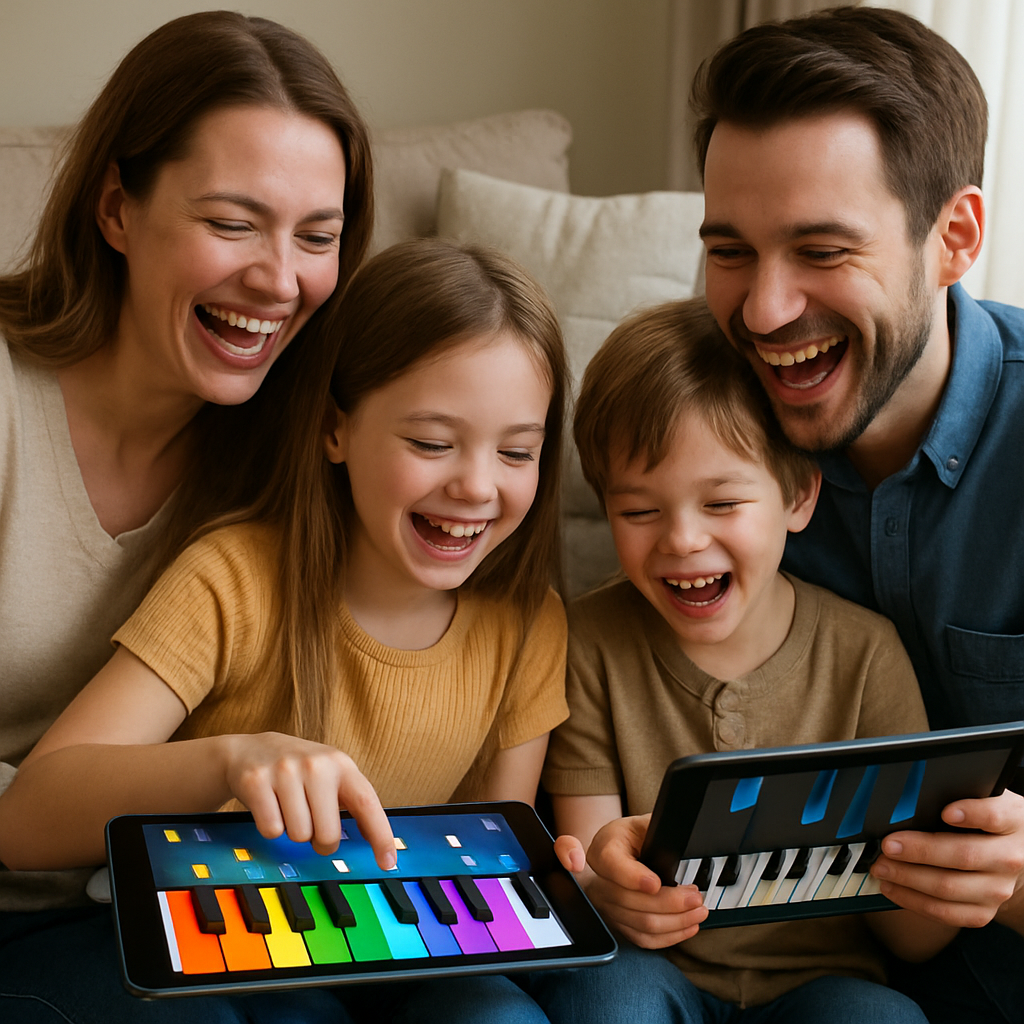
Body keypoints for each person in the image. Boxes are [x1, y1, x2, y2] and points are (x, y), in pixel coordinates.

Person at [0, 238, 571, 1024]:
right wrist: (234, 762)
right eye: (432, 443)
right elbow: (25, 820)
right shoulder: (233, 579)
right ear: (336, 430)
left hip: (406, 949)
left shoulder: (529, 620)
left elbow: (500, 870)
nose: (477, 485)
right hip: (229, 936)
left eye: (517, 452)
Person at [0, 10, 373, 1022]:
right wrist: (226, 760)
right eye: (233, 222)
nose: (279, 280)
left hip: (167, 897)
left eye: (318, 237)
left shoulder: (297, 450)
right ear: (116, 209)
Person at [689, 6, 1024, 1022]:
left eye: (821, 249)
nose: (761, 310)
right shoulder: (703, 435)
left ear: (953, 237)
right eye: (730, 251)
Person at [529, 297, 945, 1022]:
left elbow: (915, 940)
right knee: (608, 997)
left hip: (825, 981)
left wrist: (922, 869)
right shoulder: (589, 639)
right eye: (639, 512)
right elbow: (595, 867)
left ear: (797, 495)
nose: (682, 540)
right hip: (651, 968)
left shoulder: (866, 654)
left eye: (721, 504)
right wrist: (611, 895)